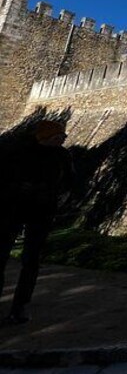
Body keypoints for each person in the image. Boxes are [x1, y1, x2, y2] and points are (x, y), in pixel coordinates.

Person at [0, 120, 74, 324]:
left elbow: (70, 181)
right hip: (12, 210)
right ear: (44, 137)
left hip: (42, 212)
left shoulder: (62, 156)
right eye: (56, 137)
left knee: (31, 261)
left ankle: (20, 307)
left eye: (63, 137)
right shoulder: (18, 153)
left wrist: (60, 197)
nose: (60, 140)